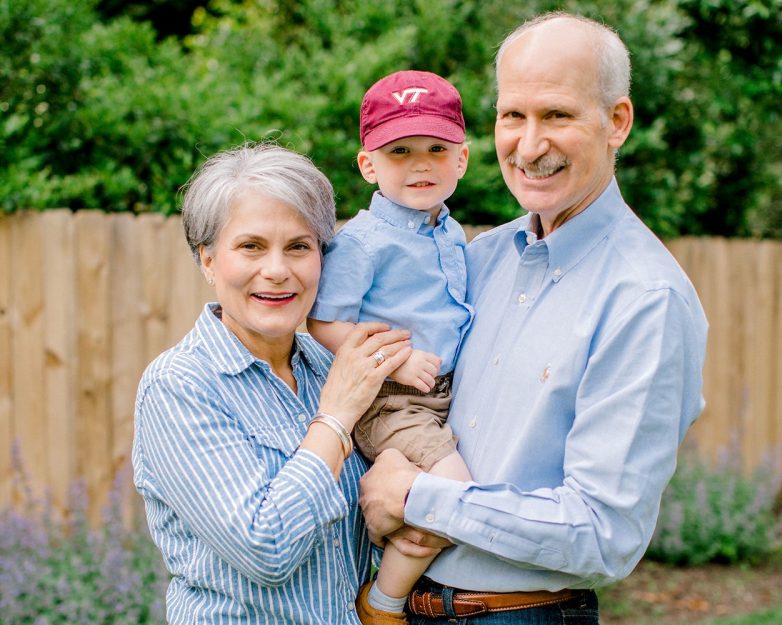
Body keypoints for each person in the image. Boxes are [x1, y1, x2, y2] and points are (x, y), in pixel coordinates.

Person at [358, 12, 709, 625]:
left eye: (557, 115)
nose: (528, 144)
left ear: (616, 122)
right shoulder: (478, 259)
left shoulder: (645, 299)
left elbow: (603, 534)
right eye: (512, 116)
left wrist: (418, 496)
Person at [132, 142, 426, 624]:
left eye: (298, 246)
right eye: (250, 246)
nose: (277, 270)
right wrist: (334, 417)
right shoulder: (180, 386)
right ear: (208, 261)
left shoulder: (328, 365)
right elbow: (266, 548)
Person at [306, 70, 473, 625]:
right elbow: (323, 322)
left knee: (433, 488)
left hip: (440, 397)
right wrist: (396, 357)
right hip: (391, 400)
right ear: (368, 165)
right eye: (399, 151)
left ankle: (394, 487)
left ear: (462, 160)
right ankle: (384, 601)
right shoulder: (361, 241)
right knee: (455, 495)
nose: (421, 163)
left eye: (435, 148)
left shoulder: (451, 232)